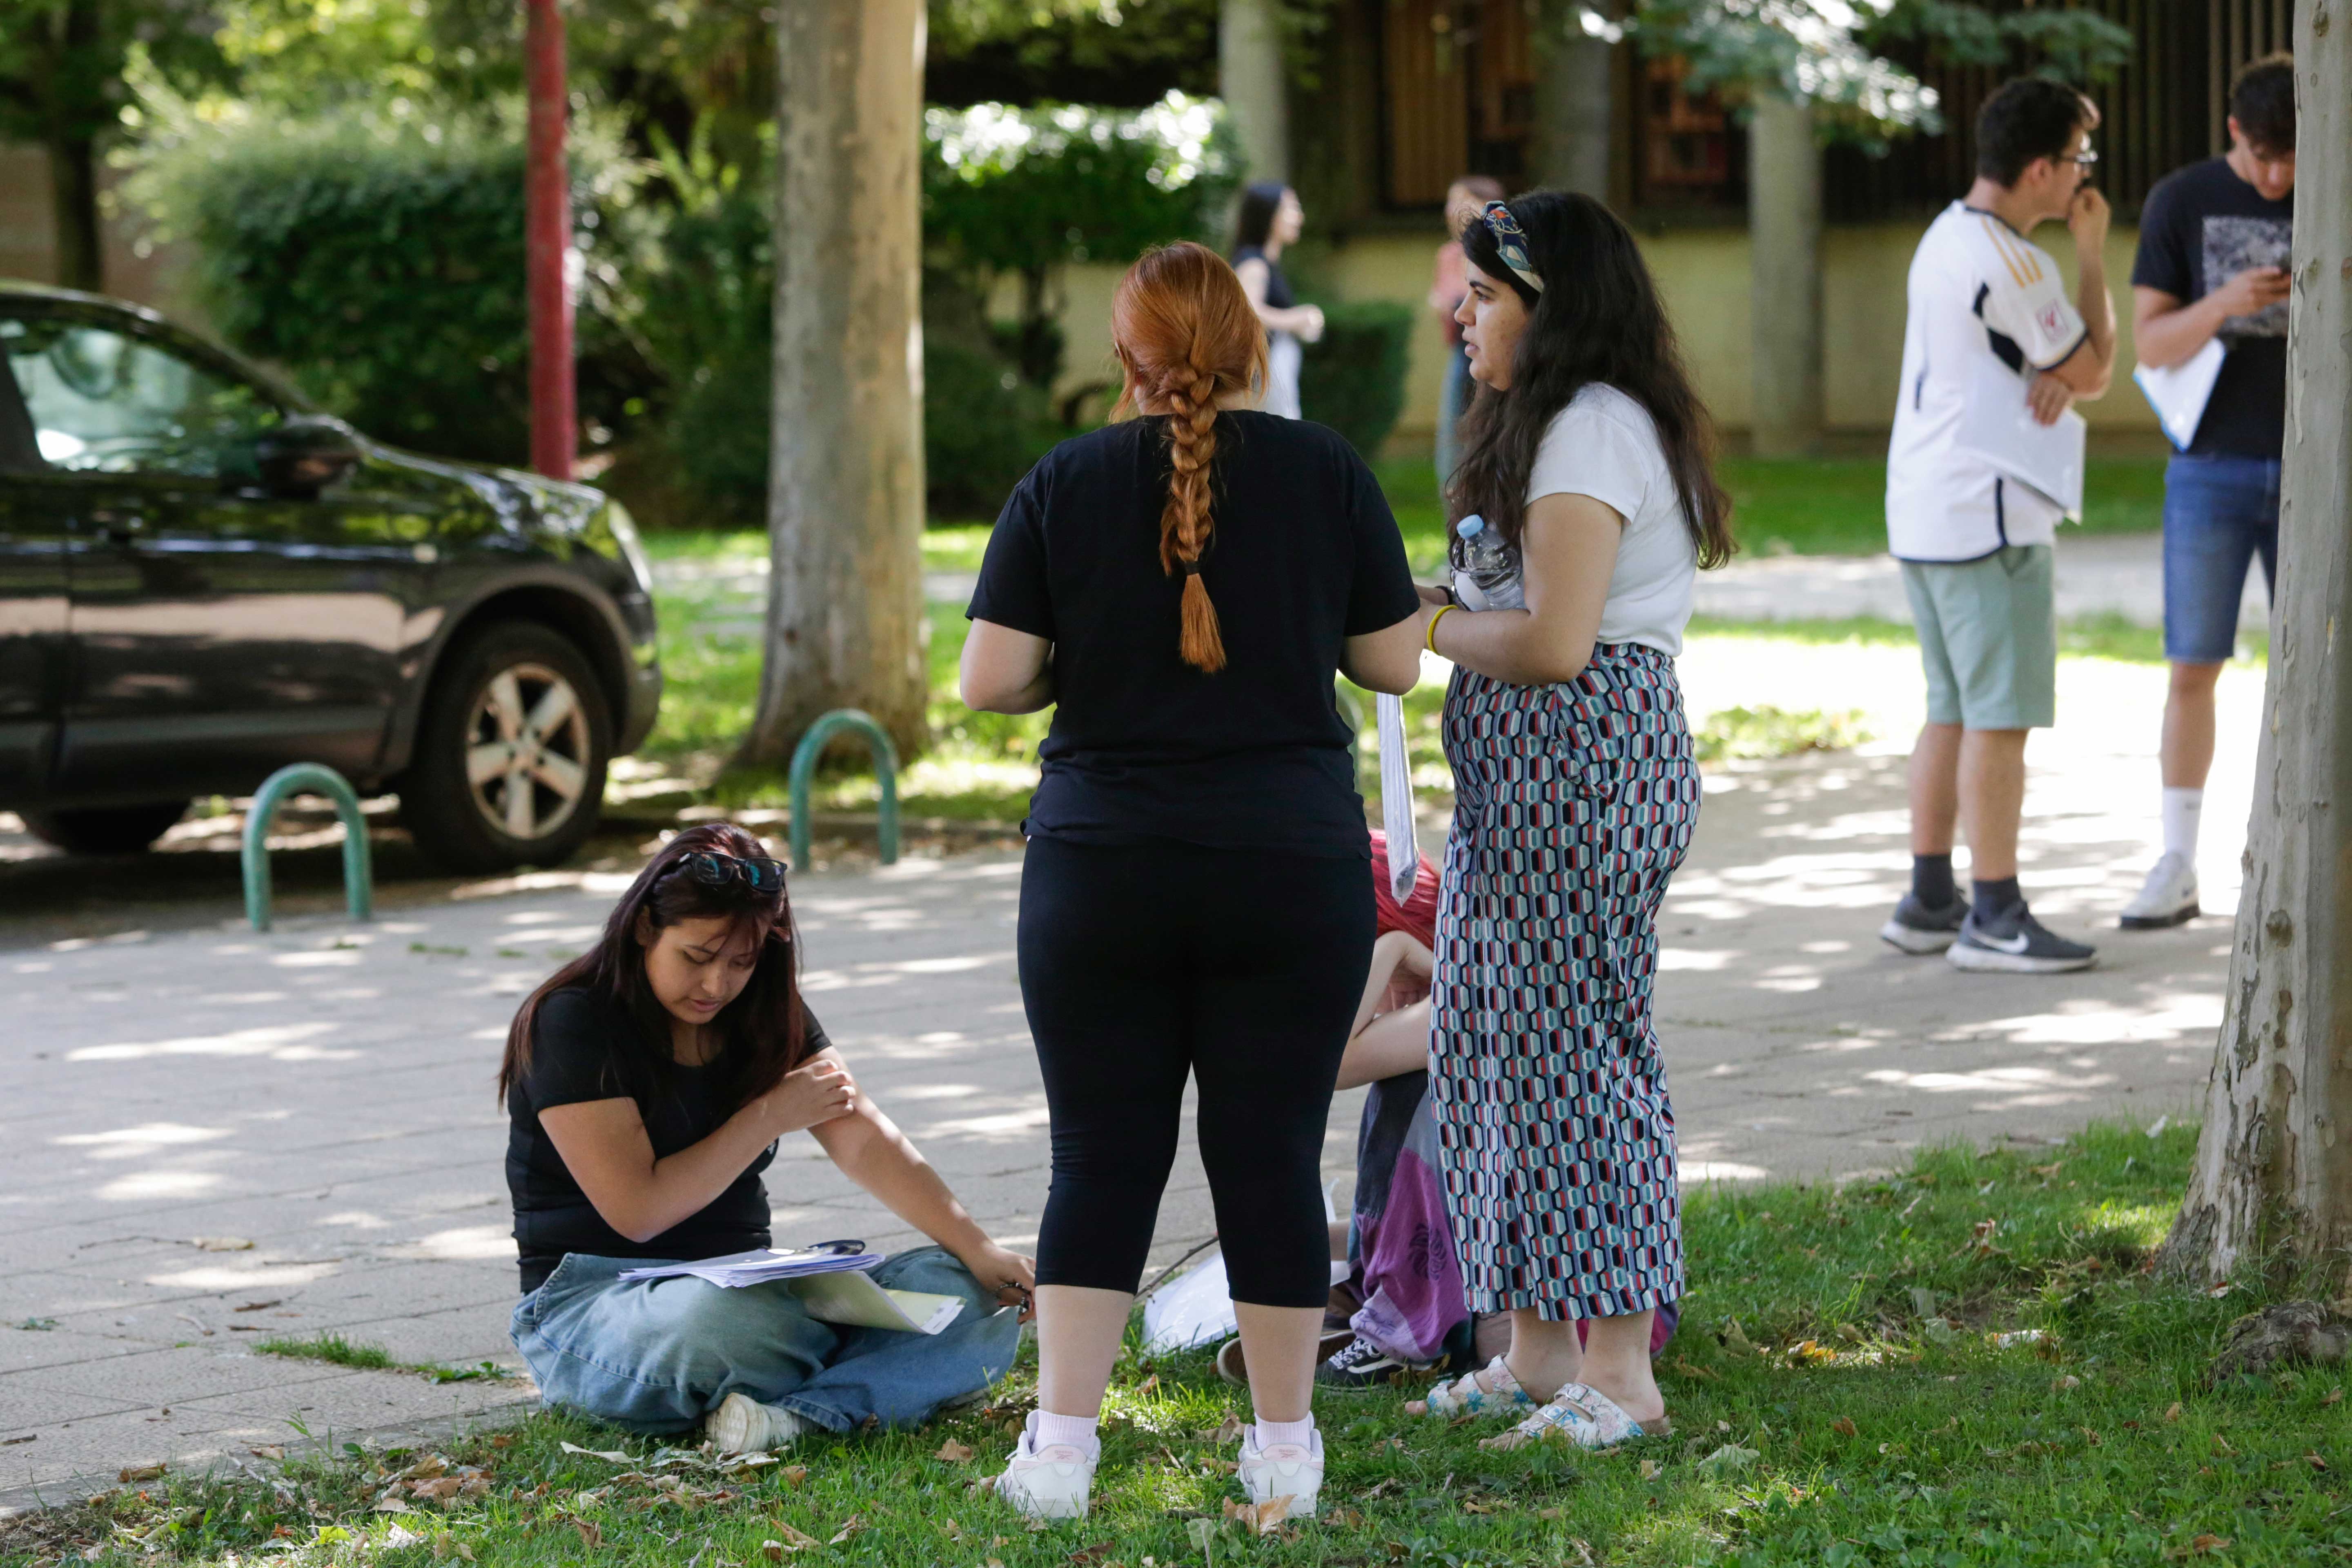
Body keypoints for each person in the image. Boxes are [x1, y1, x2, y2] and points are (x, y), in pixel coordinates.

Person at [960, 239, 1423, 1520]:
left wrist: (1091, 657)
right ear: (1254, 348)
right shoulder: (1329, 471)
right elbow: (1391, 664)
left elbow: (991, 678)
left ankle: (1059, 1450)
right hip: (1287, 865)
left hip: (1102, 868)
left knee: (1099, 1158)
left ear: (1128, 360)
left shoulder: (1061, 481)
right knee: (1269, 1152)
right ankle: (1283, 1450)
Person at [1412, 190, 1731, 1450]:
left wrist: (1417, 629)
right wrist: (1426, 597)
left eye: (1486, 293)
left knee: (1581, 1058)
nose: (1462, 309)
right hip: (1525, 776)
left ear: (1552, 307)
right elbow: (1517, 595)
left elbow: (1552, 643)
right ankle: (1536, 1351)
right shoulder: (1551, 425)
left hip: (1584, 765)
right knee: (1496, 1041)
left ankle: (1621, 1373)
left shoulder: (1594, 430)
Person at [501, 824, 1035, 1449]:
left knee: (966, 1292)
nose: (716, 986)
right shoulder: (573, 1020)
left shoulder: (763, 1011)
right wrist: (767, 1115)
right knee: (723, 1324)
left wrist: (980, 1251)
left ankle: (794, 1417)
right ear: (646, 927)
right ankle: (881, 1381)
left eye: (741, 963)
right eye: (697, 958)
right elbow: (639, 1212)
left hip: (756, 1287)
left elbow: (862, 1136)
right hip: (604, 1304)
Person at [1876, 78, 2116, 974]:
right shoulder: (2020, 263)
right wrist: (2091, 254)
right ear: (2043, 167)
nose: (2086, 179)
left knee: (1950, 708)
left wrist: (2046, 365)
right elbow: (2093, 370)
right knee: (1999, 720)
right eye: (2081, 161)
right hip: (1991, 513)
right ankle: (1997, 915)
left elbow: (2040, 361)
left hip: (1928, 505)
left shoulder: (1946, 237)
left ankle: (1930, 898)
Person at [1319, 831, 1687, 1394]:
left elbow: (1336, 1061)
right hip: (1565, 1279)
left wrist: (1393, 951)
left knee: (1409, 1095)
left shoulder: (1459, 994)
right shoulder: (1483, 976)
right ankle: (1372, 1292)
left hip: (1566, 1304)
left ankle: (1399, 1322)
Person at [2118, 53, 2294, 931]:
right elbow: (2150, 346)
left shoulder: (2329, 184)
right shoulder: (2180, 200)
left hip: (2315, 470)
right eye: (2263, 154)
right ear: (2234, 133)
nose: (2276, 175)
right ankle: (2178, 860)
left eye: (2289, 158)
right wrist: (2225, 301)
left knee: (2316, 671)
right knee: (2194, 663)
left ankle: (2301, 853)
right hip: (2211, 464)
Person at [1431, 176, 1507, 485]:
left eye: (1460, 200)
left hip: (1492, 352)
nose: (1451, 210)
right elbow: (1440, 301)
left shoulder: (1502, 253)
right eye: (1450, 202)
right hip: (1460, 352)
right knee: (1453, 435)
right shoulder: (1449, 255)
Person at [1232, 181, 1326, 420]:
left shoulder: (1267, 262)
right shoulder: (1253, 264)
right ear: (1269, 214)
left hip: (1273, 373)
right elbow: (1250, 313)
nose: (1299, 218)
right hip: (1262, 377)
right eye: (1292, 209)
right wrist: (1299, 318)